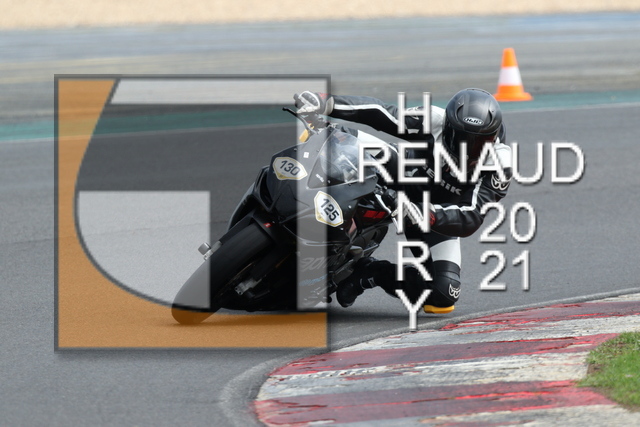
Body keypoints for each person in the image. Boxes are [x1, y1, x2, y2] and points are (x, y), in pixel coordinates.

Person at [294, 89, 512, 313]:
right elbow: (382, 113)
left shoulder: (500, 163)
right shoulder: (434, 119)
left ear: (494, 136)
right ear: (448, 127)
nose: (469, 149)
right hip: (404, 171)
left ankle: (372, 272)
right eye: (462, 138)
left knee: (444, 293)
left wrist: (422, 212)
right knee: (336, 138)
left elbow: (471, 216)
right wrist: (328, 103)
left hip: (434, 215)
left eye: (480, 142)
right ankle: (295, 199)